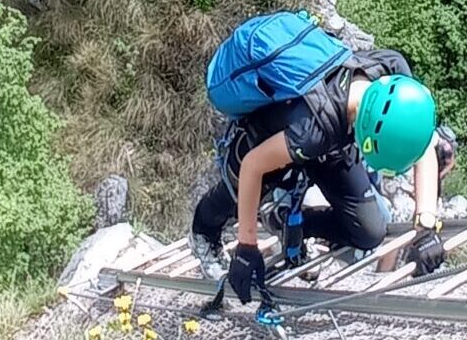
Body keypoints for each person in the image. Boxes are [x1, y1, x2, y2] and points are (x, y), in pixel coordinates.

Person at [189, 15, 453, 305]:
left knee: (369, 231)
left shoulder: (392, 71)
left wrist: (426, 227)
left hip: (334, 139)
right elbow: (253, 164)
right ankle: (204, 230)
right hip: (284, 131)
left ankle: (292, 222)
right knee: (240, 186)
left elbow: (423, 141)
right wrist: (247, 246)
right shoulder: (311, 131)